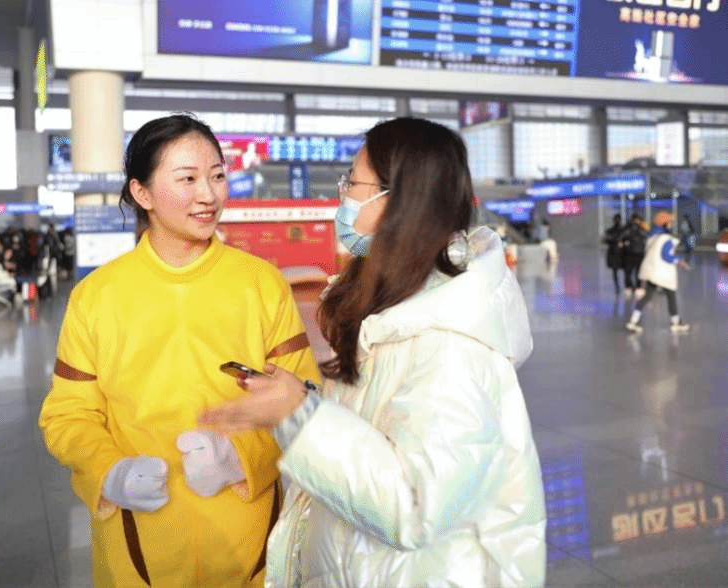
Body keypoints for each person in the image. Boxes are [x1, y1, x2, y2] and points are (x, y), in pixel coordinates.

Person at [199, 118, 547, 587]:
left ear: (397, 201)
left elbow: (416, 505)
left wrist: (301, 417)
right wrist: (300, 405)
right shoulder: (393, 313)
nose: (343, 196)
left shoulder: (450, 346)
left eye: (353, 183)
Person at [38, 114, 320, 587]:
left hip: (249, 541)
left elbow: (304, 398)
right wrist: (110, 472)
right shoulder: (97, 296)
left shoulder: (261, 284)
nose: (208, 194)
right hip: (138, 547)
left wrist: (240, 457)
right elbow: (68, 413)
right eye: (187, 179)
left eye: (217, 175)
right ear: (143, 193)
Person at [626, 211, 690, 333]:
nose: (671, 224)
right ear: (665, 224)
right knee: (671, 295)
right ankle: (676, 322)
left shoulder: (652, 236)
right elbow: (666, 256)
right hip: (663, 273)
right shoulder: (666, 238)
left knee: (647, 296)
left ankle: (633, 321)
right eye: (670, 222)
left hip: (651, 272)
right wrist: (679, 260)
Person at [621, 213, 647, 298]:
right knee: (636, 271)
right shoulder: (641, 228)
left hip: (632, 252)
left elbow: (623, 237)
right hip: (637, 253)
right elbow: (646, 237)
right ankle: (636, 287)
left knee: (630, 271)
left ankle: (630, 287)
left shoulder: (628, 228)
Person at [603, 213, 625, 293]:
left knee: (616, 271)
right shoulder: (623, 231)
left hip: (617, 253)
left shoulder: (610, 231)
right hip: (618, 253)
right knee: (618, 271)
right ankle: (619, 287)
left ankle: (618, 287)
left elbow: (606, 240)